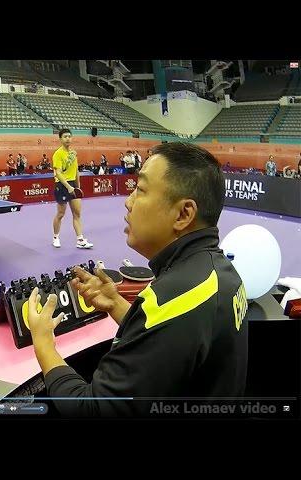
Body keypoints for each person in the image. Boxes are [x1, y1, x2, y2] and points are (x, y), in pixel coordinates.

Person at [27, 142, 248, 417]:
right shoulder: (221, 273)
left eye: (140, 190)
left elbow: (91, 410)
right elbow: (174, 344)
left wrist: (42, 342)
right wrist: (117, 305)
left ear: (183, 214)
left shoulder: (172, 298)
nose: (128, 201)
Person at [51, 128, 93, 249]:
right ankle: (55, 237)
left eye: (69, 136)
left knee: (77, 213)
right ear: (60, 139)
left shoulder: (73, 153)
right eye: (65, 136)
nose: (68, 138)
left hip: (73, 185)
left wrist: (77, 187)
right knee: (60, 214)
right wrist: (69, 187)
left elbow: (76, 171)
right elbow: (58, 173)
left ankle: (80, 240)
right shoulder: (58, 154)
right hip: (62, 185)